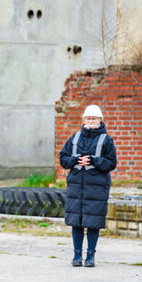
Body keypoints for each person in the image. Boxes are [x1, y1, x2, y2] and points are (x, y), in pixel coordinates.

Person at [59, 104, 117, 267]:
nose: (91, 121)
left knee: (93, 223)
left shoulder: (106, 140)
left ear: (100, 120)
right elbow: (63, 159)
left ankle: (90, 256)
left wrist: (93, 161)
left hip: (97, 188)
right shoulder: (74, 138)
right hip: (76, 186)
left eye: (94, 118)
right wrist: (76, 160)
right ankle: (77, 255)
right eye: (88, 118)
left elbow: (112, 163)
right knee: (76, 222)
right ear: (83, 119)